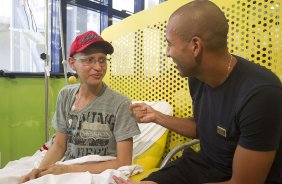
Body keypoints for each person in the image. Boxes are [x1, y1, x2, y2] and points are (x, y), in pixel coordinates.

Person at [113, 1, 282, 184]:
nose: (166, 53)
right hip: (204, 165)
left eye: (169, 44)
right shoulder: (196, 76)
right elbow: (202, 129)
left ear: (195, 46)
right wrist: (156, 116)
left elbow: (243, 182)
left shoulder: (261, 94)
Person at [20, 31, 140, 183]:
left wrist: (66, 170)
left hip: (98, 171)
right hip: (67, 164)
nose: (98, 67)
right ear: (72, 64)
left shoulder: (120, 104)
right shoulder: (66, 95)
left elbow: (123, 162)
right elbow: (59, 145)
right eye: (89, 60)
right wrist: (39, 171)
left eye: (102, 60)